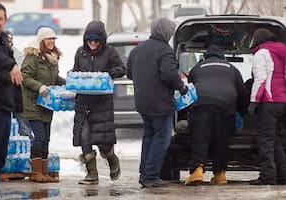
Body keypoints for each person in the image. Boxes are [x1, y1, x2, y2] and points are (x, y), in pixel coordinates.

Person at [127, 17, 188, 188]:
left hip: (142, 103)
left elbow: (129, 73)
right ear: (165, 31)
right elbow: (168, 75)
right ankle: (151, 175)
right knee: (161, 139)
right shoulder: (165, 51)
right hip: (160, 103)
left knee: (149, 136)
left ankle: (144, 173)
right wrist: (181, 87)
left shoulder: (138, 50)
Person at [183, 44, 247, 186]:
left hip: (201, 105)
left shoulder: (196, 68)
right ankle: (220, 175)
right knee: (221, 140)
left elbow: (190, 90)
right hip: (225, 106)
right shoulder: (232, 69)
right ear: (222, 56)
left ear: (205, 57)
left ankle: (197, 171)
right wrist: (240, 113)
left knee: (200, 137)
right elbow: (242, 94)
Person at [72, 20, 125, 185]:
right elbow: (75, 70)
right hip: (84, 103)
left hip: (102, 104)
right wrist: (73, 76)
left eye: (96, 40)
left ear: (102, 40)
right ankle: (92, 173)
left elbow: (122, 69)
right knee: (84, 136)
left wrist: (109, 73)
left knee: (104, 140)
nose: (93, 43)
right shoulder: (81, 52)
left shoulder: (110, 52)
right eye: (90, 40)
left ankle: (112, 159)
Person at [0, 2, 23, 199]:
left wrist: (17, 108)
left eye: (0, 19)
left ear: (5, 20)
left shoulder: (3, 42)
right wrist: (11, 64)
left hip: (3, 108)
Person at [20, 27, 65, 183]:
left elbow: (53, 78)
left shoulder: (51, 59)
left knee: (46, 139)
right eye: (48, 39)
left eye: (53, 39)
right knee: (39, 137)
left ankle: (44, 172)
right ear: (41, 41)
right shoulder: (33, 58)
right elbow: (24, 77)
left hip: (47, 105)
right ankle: (36, 173)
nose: (51, 41)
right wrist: (39, 87)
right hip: (33, 104)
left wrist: (68, 83)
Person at [248, 28, 286, 185]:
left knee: (266, 140)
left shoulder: (262, 53)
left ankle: (268, 176)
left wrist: (253, 101)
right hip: (282, 101)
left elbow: (261, 78)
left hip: (268, 101)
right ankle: (283, 175)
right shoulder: (282, 52)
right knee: (276, 140)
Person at [5, 30, 34, 141]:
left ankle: (27, 144)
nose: (8, 43)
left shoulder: (16, 53)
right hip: (1, 97)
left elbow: (21, 71)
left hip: (16, 94)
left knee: (23, 123)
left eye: (10, 40)